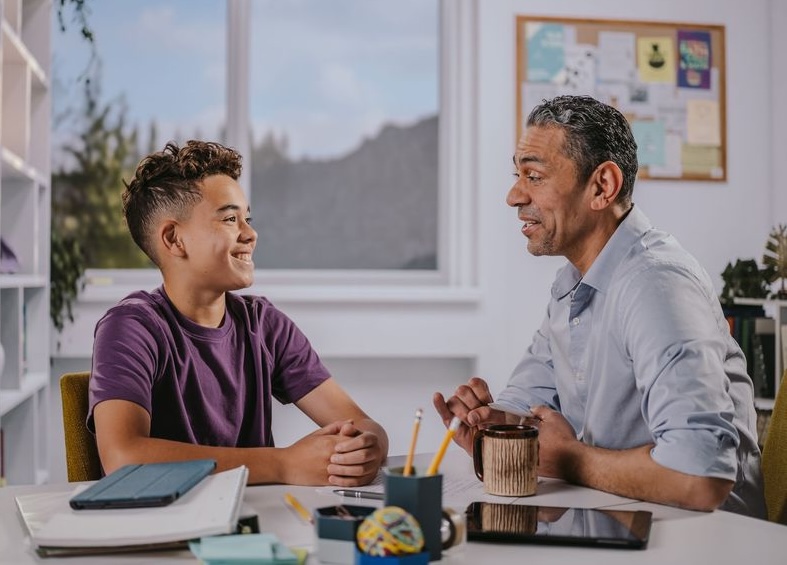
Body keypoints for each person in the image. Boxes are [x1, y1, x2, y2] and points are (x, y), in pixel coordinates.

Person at [433, 95, 766, 517]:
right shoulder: (572, 285)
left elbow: (700, 478)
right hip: (623, 520)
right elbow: (524, 406)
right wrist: (491, 425)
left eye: (534, 176)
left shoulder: (656, 285)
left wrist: (571, 459)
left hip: (705, 540)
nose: (514, 196)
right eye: (517, 175)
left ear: (602, 187)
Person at [89, 140, 388, 486]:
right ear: (174, 240)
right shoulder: (130, 328)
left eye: (247, 218)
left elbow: (364, 425)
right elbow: (124, 458)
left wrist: (368, 447)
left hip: (256, 522)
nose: (251, 234)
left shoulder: (264, 325)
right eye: (231, 219)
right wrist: (282, 465)